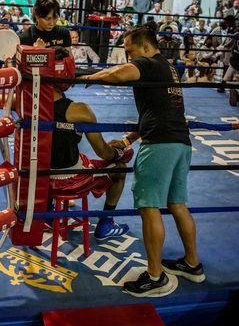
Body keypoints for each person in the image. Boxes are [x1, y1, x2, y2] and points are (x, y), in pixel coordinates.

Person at [82, 25, 205, 297]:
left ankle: (155, 275)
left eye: (131, 52)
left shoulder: (147, 64)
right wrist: (127, 141)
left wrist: (90, 75)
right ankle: (192, 264)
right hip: (179, 144)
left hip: (159, 146)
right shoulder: (167, 67)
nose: (129, 58)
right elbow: (154, 111)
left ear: (146, 47)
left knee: (149, 207)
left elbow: (118, 73)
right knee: (177, 204)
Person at [50, 64, 133, 239]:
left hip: (38, 180)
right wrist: (118, 152)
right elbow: (104, 153)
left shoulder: (27, 104)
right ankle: (106, 223)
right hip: (68, 179)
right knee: (120, 167)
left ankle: (47, 210)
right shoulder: (80, 111)